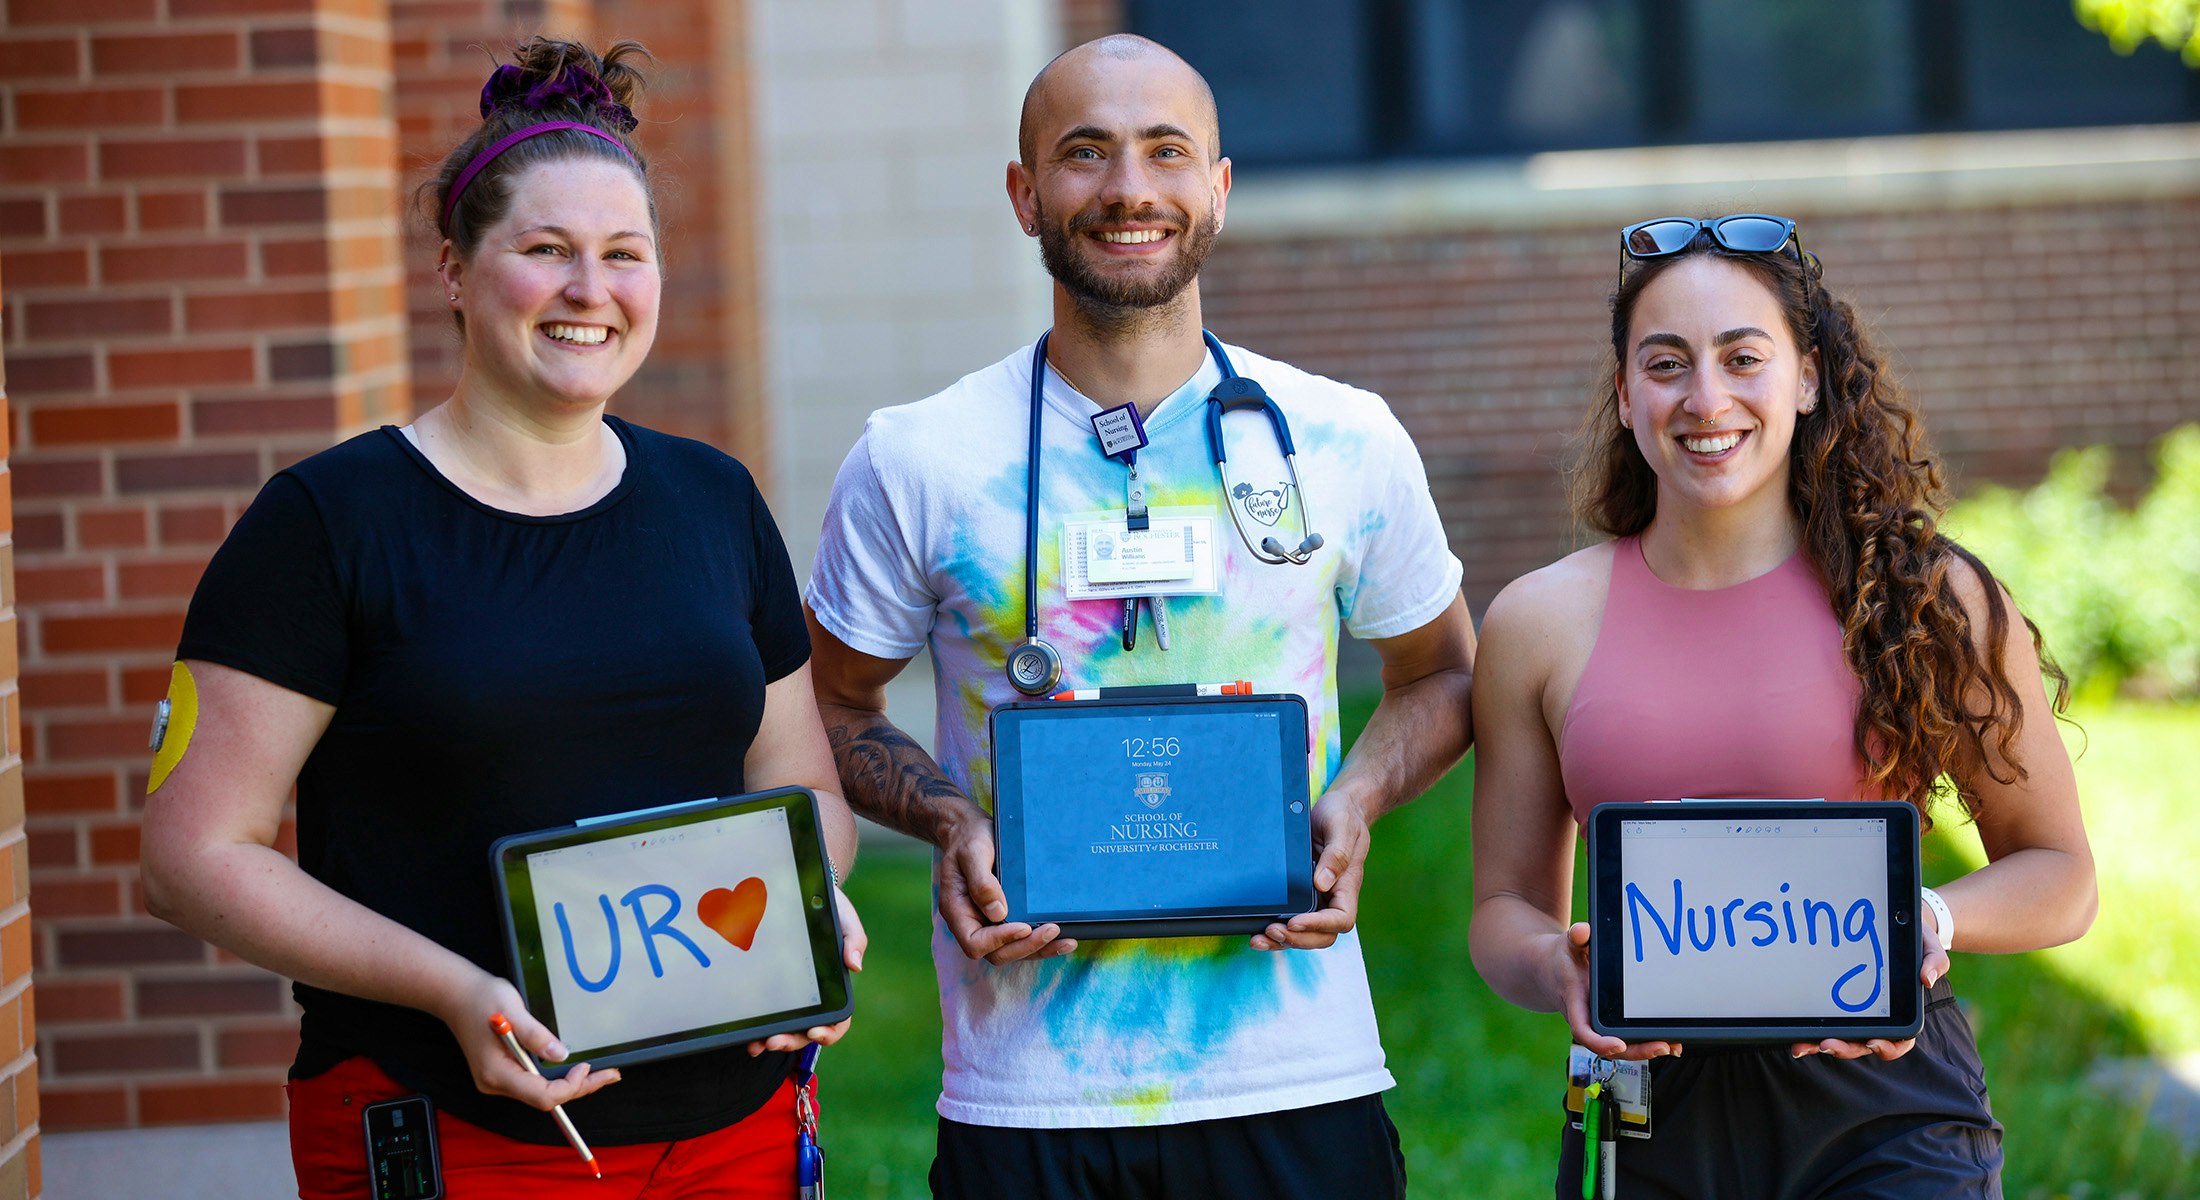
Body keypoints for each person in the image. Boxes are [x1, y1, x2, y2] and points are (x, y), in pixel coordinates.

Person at [138, 37, 863, 1200]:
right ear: (454, 271)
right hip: (452, 1126)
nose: (592, 290)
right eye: (546, 251)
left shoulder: (713, 499)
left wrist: (810, 895)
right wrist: (450, 988)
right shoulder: (328, 522)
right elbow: (190, 856)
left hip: (737, 1131)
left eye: (625, 255)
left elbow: (804, 792)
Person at [803, 33, 1477, 1200]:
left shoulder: (1341, 438)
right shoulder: (918, 457)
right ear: (1025, 195)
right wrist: (950, 818)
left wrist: (1354, 801)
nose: (1128, 190)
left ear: (1216, 189)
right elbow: (830, 701)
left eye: (1167, 152)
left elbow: (1441, 676)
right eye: (1084, 153)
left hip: (1293, 1079)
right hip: (1026, 1094)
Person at [1467, 214, 2097, 1197]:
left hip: (1885, 1115)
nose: (1705, 398)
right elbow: (1502, 911)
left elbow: (2058, 873)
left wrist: (1924, 918)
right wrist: (1559, 965)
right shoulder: (1537, 622)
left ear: (1805, 378)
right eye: (1666, 364)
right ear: (1626, 394)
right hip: (1644, 1114)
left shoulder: (1926, 599)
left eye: (1741, 357)